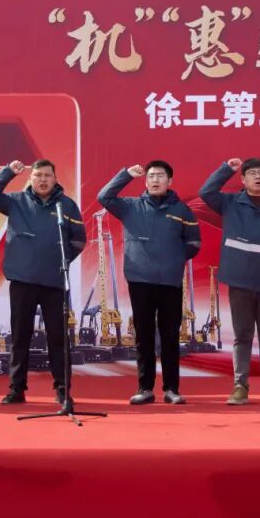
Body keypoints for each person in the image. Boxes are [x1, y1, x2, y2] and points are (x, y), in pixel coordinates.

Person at [98, 161, 201, 405]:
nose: (155, 180)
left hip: (170, 281)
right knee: (143, 336)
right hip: (140, 279)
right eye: (151, 176)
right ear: (145, 182)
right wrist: (125, 175)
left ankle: (171, 389)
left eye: (160, 176)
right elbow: (104, 196)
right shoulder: (130, 206)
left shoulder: (182, 211)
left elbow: (194, 243)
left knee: (170, 337)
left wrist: (173, 260)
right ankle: (144, 388)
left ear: (170, 181)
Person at [0, 159, 85, 405]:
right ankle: (16, 389)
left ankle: (63, 390)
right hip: (22, 280)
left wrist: (60, 260)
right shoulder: (16, 201)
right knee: (20, 337)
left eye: (47, 175)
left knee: (58, 339)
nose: (42, 180)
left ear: (55, 178)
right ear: (30, 178)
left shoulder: (66, 206)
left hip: (54, 281)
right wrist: (8, 172)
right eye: (38, 175)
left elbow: (78, 240)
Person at [200, 157, 260, 406]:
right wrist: (226, 169)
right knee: (242, 336)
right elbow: (206, 192)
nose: (257, 177)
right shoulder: (231, 202)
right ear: (243, 179)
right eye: (252, 173)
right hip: (239, 281)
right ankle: (240, 387)